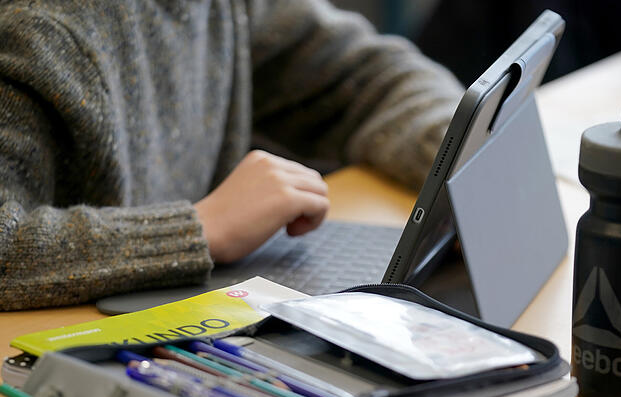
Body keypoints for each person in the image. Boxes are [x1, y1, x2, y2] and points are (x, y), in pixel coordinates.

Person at [0, 0, 463, 310]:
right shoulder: (37, 31)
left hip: (183, 315)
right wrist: (201, 227)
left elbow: (363, 74)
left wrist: (461, 163)